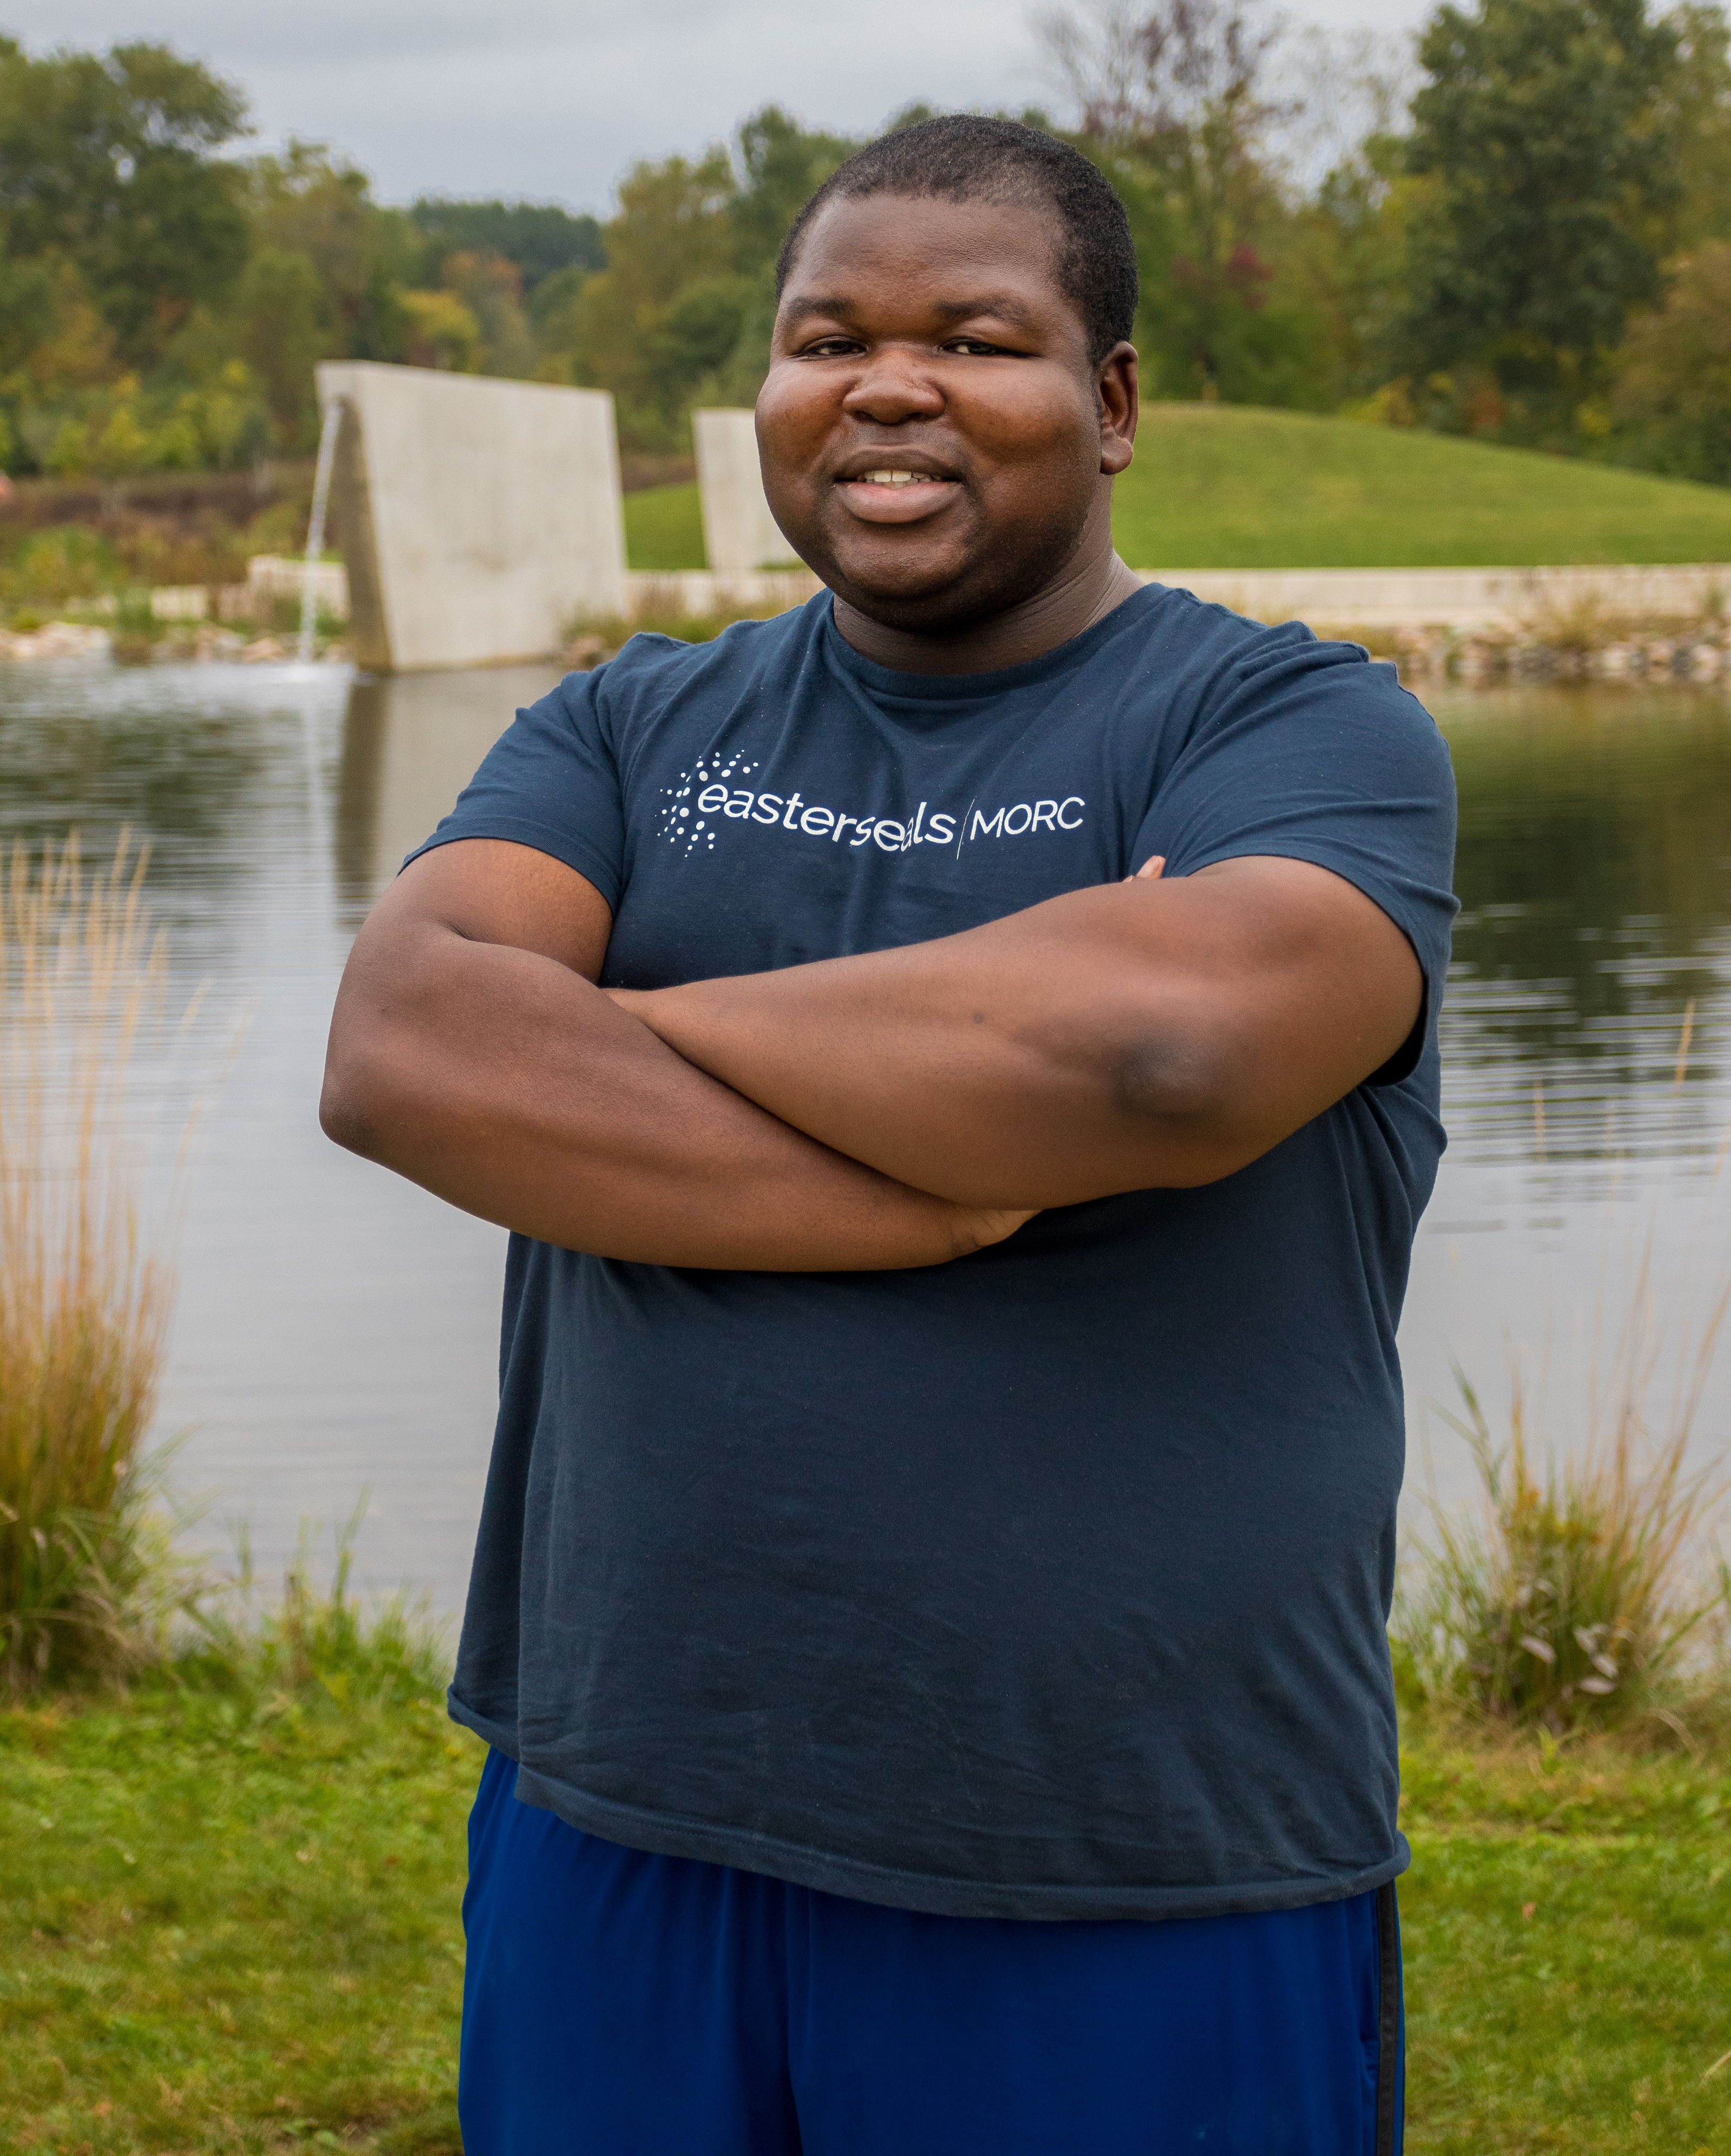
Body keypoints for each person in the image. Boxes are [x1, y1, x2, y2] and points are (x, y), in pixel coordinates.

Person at [321, 115, 1456, 2155]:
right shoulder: (628, 725)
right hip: (623, 1815)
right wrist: (943, 1176)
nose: (888, 385)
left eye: (978, 338)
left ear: (1109, 405)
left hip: (1126, 1857)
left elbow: (1168, 1061)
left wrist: (601, 1027)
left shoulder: (1289, 730)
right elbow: (406, 1052)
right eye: (825, 334)